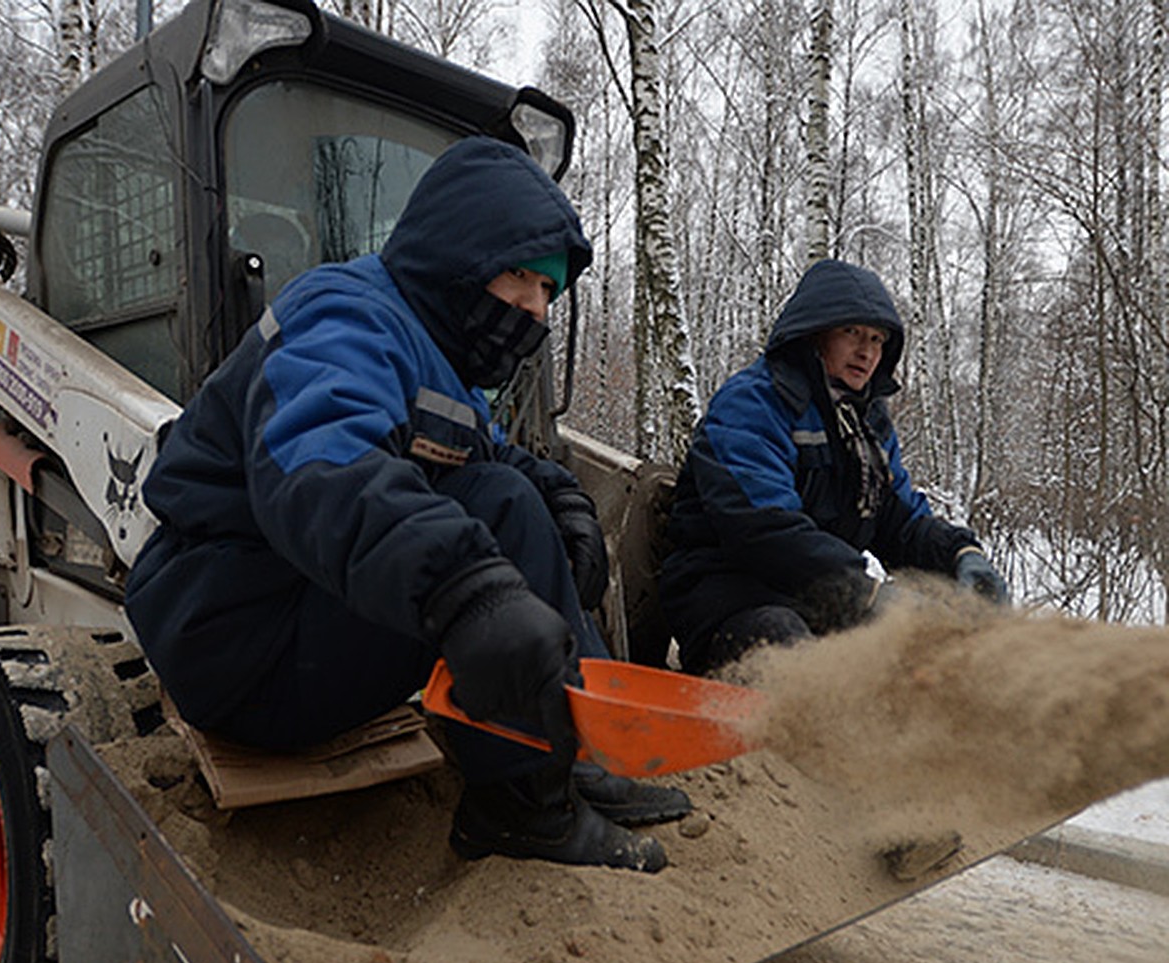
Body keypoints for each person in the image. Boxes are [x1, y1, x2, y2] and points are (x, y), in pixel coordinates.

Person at [125, 135, 689, 874]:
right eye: (521, 276)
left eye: (549, 292)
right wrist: (467, 590)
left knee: (516, 497)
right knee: (497, 511)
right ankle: (521, 807)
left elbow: (486, 455)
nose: (535, 310)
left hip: (283, 613)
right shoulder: (347, 318)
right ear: (461, 255)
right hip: (235, 637)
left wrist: (568, 503)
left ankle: (568, 752)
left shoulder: (435, 358)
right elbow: (322, 464)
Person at [659, 258, 1009, 676]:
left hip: (819, 603)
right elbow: (763, 529)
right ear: (815, 333)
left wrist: (960, 554)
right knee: (795, 656)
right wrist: (865, 594)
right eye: (852, 333)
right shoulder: (753, 402)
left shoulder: (867, 424)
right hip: (729, 600)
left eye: (878, 340)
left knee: (930, 659)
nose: (867, 351)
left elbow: (898, 521)